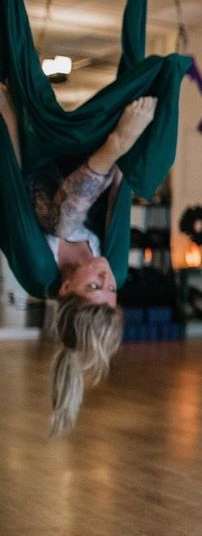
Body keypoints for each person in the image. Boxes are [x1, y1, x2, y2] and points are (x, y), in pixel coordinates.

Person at [0, 80, 156, 436]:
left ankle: (117, 143)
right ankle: (118, 142)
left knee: (61, 221)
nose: (106, 276)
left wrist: (7, 110)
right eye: (111, 288)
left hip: (32, 159)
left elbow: (14, 185)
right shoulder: (108, 263)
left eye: (94, 285)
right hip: (78, 161)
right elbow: (120, 198)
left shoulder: (37, 269)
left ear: (67, 288)